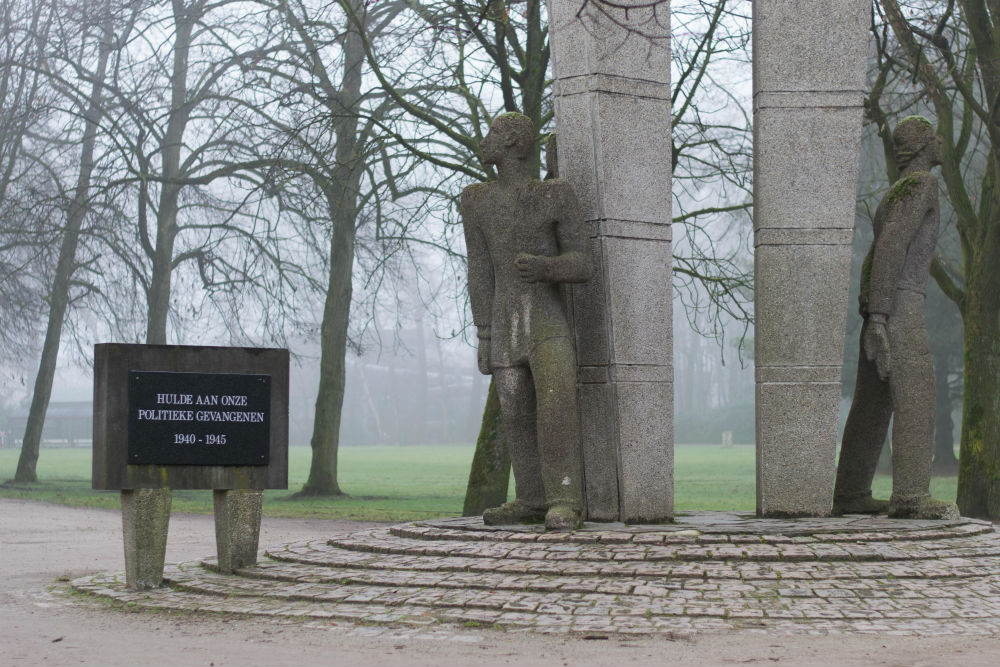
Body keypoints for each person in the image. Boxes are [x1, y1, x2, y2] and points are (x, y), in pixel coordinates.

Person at [461, 113, 592, 531]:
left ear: (515, 143)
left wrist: (546, 267)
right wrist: (483, 332)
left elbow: (583, 262)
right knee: (516, 414)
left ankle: (565, 498)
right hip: (503, 323)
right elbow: (479, 270)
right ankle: (532, 498)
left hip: (546, 321)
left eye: (493, 134)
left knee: (556, 407)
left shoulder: (554, 194)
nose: (484, 142)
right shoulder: (475, 200)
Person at [833, 116, 959, 519]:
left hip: (882, 304)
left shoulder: (893, 194)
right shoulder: (921, 185)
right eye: (934, 135)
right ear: (922, 146)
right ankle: (911, 496)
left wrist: (871, 308)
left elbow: (875, 254)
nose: (941, 141)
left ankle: (851, 492)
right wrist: (881, 317)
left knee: (872, 404)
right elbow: (890, 248)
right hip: (900, 306)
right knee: (917, 391)